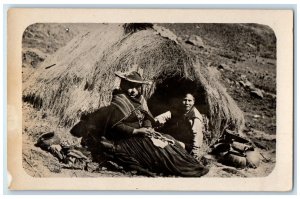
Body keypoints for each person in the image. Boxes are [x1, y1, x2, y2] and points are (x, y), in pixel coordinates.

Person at [99, 70, 209, 177]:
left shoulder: (140, 99)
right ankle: (184, 168)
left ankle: (191, 163)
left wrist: (147, 126)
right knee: (159, 152)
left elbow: (147, 116)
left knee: (168, 140)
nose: (133, 91)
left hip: (143, 133)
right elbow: (115, 126)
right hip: (127, 138)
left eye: (136, 87)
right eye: (130, 86)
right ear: (123, 85)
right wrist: (137, 131)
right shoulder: (119, 101)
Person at [155, 92, 208, 161]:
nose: (187, 103)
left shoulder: (195, 117)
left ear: (193, 102)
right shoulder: (182, 109)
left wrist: (194, 154)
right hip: (181, 139)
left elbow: (197, 136)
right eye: (185, 100)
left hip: (190, 145)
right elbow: (169, 114)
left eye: (189, 101)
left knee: (168, 144)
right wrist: (155, 120)